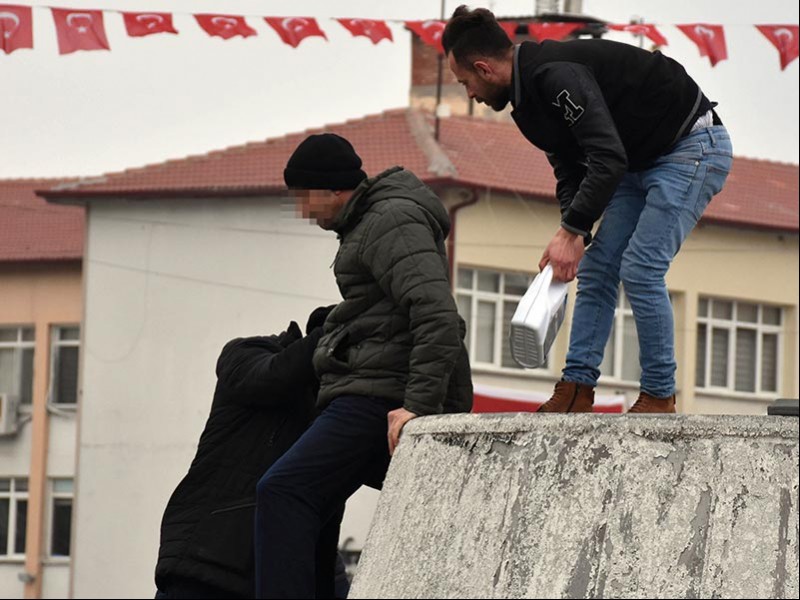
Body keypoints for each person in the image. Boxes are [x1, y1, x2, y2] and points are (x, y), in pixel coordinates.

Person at [443, 6, 733, 414]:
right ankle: (577, 389)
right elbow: (568, 171)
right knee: (597, 269)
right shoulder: (527, 106)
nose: (468, 93)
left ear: (483, 68)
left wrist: (572, 232)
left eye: (464, 82)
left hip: (691, 147)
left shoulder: (557, 75)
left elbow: (607, 158)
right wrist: (572, 233)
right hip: (636, 161)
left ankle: (659, 395)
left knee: (641, 267)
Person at [255, 133, 473, 598]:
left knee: (284, 490)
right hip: (374, 384)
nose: (302, 211)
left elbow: (437, 315)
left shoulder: (390, 221)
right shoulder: (370, 224)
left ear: (333, 189)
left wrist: (418, 406)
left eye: (304, 197)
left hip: (381, 394)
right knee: (317, 497)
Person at [155, 307, 346, 599]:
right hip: (207, 566)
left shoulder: (341, 407)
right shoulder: (248, 352)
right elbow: (272, 376)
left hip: (278, 576)